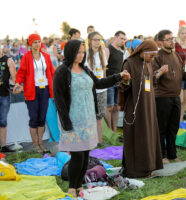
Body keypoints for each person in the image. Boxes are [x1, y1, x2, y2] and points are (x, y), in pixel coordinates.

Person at [53, 39, 130, 197]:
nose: (81, 55)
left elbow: (99, 83)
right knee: (77, 156)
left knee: (86, 156)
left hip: (88, 119)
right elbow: (59, 100)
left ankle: (79, 187)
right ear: (70, 52)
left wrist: (118, 76)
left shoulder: (85, 69)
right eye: (78, 52)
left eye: (82, 52)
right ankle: (72, 189)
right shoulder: (62, 72)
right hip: (73, 120)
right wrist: (66, 123)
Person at [119, 41, 167, 178]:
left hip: (148, 105)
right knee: (138, 136)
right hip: (135, 106)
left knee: (149, 135)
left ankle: (149, 167)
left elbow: (148, 80)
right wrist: (126, 80)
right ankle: (136, 170)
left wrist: (158, 74)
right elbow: (122, 86)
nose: (152, 59)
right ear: (143, 51)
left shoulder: (148, 63)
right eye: (151, 56)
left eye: (154, 57)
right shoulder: (129, 63)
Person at [152, 29, 186, 164]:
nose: (172, 41)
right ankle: (162, 155)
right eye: (169, 39)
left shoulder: (176, 56)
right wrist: (159, 73)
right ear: (161, 42)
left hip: (175, 97)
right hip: (162, 97)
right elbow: (152, 76)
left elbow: (182, 74)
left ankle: (172, 154)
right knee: (162, 128)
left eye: (173, 38)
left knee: (173, 127)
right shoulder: (157, 56)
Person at [13, 34, 55, 153]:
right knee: (34, 118)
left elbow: (52, 72)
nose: (37, 44)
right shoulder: (26, 57)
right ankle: (35, 144)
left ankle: (41, 142)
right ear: (30, 43)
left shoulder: (46, 56)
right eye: (35, 42)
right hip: (32, 90)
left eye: (39, 42)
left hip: (45, 89)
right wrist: (17, 83)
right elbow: (21, 73)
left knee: (42, 118)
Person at [85, 31, 109, 146]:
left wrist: (104, 83)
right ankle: (90, 140)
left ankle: (99, 141)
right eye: (95, 39)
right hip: (90, 89)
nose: (97, 42)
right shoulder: (85, 54)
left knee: (100, 115)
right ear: (90, 41)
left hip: (102, 89)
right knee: (90, 115)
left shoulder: (102, 53)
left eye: (99, 39)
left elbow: (104, 70)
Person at [105, 31, 126, 132]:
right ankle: (109, 129)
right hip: (109, 81)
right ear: (115, 38)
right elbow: (104, 67)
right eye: (121, 38)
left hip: (118, 82)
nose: (123, 41)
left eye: (124, 39)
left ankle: (114, 129)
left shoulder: (121, 52)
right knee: (109, 107)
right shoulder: (108, 49)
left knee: (117, 107)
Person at [0, 47, 16, 153]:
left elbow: (15, 78)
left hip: (4, 95)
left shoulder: (8, 60)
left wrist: (18, 86)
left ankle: (3, 146)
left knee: (3, 121)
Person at [175, 26, 186, 122]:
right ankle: (176, 119)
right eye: (182, 33)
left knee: (185, 100)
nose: (184, 35)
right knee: (180, 99)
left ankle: (180, 120)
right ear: (179, 34)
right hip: (178, 73)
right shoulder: (176, 45)